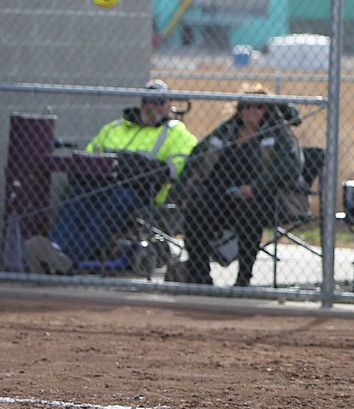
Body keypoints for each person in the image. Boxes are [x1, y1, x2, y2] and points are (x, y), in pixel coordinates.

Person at [23, 79, 199, 274]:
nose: (151, 107)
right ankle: (56, 249)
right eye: (147, 101)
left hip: (142, 193)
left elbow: (175, 169)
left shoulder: (176, 133)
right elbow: (90, 154)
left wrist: (133, 165)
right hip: (102, 183)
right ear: (140, 103)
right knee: (79, 194)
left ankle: (69, 257)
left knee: (118, 201)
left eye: (158, 102)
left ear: (168, 106)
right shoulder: (115, 128)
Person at [172, 85, 305, 288]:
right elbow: (196, 157)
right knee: (195, 212)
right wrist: (183, 193)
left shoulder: (277, 133)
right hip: (219, 195)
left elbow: (291, 165)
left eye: (258, 106)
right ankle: (201, 278)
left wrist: (255, 187)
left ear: (267, 110)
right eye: (246, 106)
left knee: (249, 214)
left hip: (259, 198)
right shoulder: (227, 130)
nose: (251, 111)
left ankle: (243, 279)